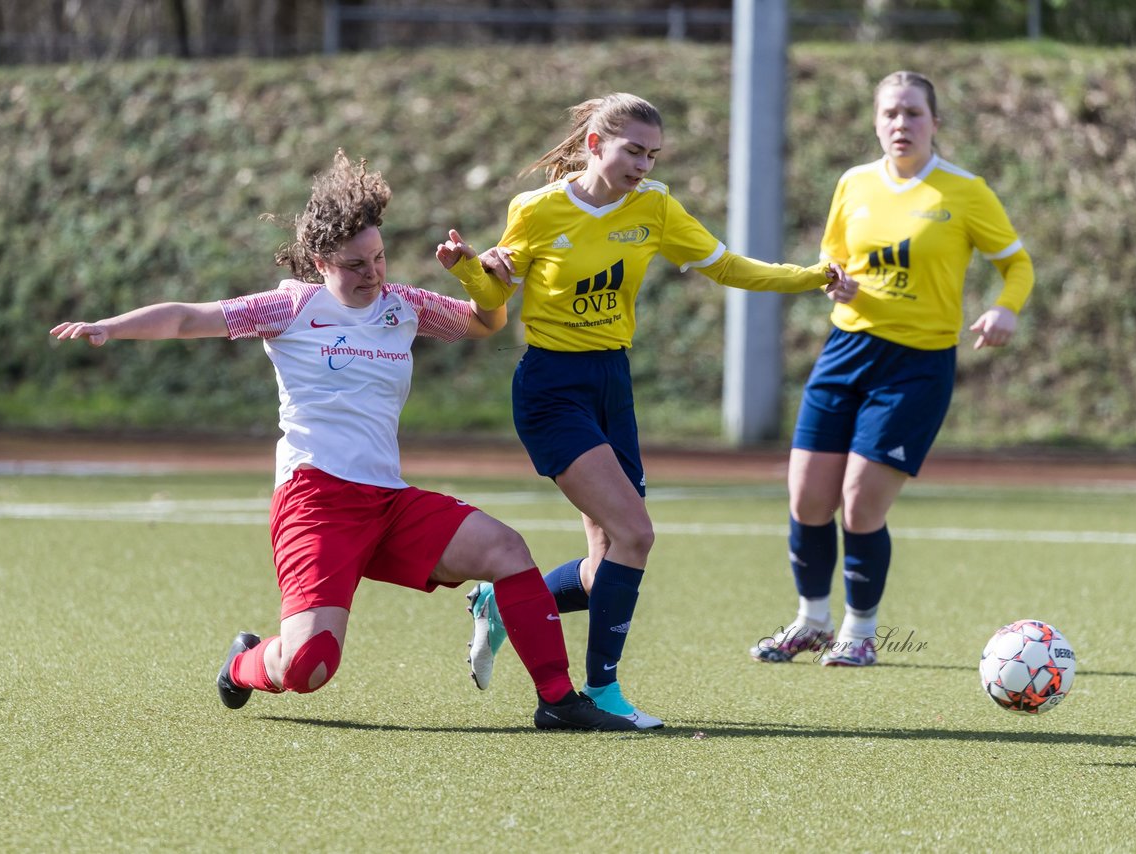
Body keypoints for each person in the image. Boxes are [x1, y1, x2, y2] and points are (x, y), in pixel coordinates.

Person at [50, 150, 638, 732]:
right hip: (316, 503)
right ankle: (242, 662)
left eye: (379, 258)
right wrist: (109, 327)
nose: (373, 274)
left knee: (508, 553)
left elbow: (484, 324)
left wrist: (482, 280)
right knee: (308, 667)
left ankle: (559, 701)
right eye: (356, 264)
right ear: (318, 260)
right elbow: (184, 318)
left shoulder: (402, 306)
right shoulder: (290, 307)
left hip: (386, 501)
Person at [441, 93, 858, 729]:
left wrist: (812, 276)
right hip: (553, 389)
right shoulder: (537, 209)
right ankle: (599, 693)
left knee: (606, 555)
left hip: (613, 383)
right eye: (632, 149)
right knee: (636, 534)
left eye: (652, 153)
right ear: (593, 145)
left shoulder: (655, 206)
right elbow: (497, 293)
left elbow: (728, 267)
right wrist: (473, 269)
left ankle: (502, 604)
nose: (642, 164)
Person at [749, 70, 1036, 667]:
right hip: (845, 352)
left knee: (860, 503)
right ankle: (811, 621)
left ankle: (860, 630)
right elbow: (833, 256)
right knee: (806, 498)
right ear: (876, 122)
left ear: (935, 122)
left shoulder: (964, 191)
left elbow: (1017, 264)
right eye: (890, 114)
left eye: (913, 113)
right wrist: (838, 283)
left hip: (917, 365)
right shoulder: (854, 184)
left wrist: (1005, 309)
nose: (900, 124)